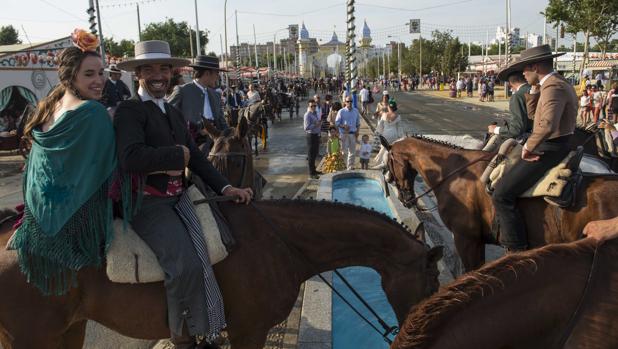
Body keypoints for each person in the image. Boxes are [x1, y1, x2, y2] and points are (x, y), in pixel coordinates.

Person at [115, 40, 252, 348]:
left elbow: (198, 158)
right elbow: (130, 157)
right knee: (185, 266)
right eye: (148, 69)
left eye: (163, 68)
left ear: (172, 72)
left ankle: (210, 324)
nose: (158, 75)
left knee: (226, 244)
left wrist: (227, 187)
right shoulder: (130, 111)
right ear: (137, 73)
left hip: (180, 197)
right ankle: (183, 339)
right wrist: (177, 157)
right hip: (148, 203)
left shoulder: (172, 113)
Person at [9, 29, 119, 296]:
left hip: (39, 209)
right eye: (89, 74)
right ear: (71, 76)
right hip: (74, 220)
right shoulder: (92, 112)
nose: (99, 81)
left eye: (101, 73)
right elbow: (109, 166)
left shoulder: (51, 104)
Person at [492, 45, 577, 252]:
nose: (522, 73)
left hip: (550, 147)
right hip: (553, 143)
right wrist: (533, 88)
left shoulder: (553, 86)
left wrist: (528, 147)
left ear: (536, 66)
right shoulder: (547, 85)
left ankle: (517, 249)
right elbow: (533, 117)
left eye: (525, 68)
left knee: (501, 194)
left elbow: (547, 125)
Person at [167, 55, 228, 153]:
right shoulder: (182, 91)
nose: (218, 77)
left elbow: (221, 121)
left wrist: (232, 135)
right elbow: (167, 115)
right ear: (207, 73)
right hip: (191, 144)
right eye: (217, 73)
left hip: (216, 143)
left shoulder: (216, 95)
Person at [488, 70, 532, 143]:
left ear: (510, 83)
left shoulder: (517, 96)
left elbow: (516, 130)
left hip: (528, 141)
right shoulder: (534, 89)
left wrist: (495, 129)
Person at [372, 99, 403, 169]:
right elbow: (399, 128)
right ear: (395, 107)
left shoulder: (384, 115)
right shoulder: (398, 117)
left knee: (383, 148)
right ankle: (389, 163)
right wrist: (401, 137)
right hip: (394, 135)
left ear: (388, 107)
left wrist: (378, 132)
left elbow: (380, 126)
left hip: (385, 134)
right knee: (391, 149)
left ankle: (381, 162)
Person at [335, 96, 361, 170]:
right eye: (347, 101)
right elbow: (337, 123)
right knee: (344, 152)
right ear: (345, 102)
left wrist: (357, 132)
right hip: (344, 134)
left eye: (351, 101)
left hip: (353, 134)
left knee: (352, 152)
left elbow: (358, 123)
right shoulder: (341, 111)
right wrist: (343, 126)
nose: (349, 103)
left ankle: (350, 167)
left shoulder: (356, 111)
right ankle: (343, 166)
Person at [303, 99, 322, 178]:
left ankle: (314, 170)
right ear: (309, 106)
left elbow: (317, 123)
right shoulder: (307, 115)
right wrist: (316, 124)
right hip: (311, 136)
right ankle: (311, 173)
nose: (313, 107)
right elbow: (306, 127)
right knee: (310, 155)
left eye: (315, 106)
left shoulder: (315, 113)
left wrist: (318, 124)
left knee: (314, 154)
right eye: (312, 106)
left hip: (316, 135)